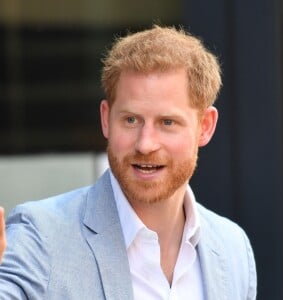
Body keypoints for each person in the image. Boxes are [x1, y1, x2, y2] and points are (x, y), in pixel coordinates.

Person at [0, 25, 257, 299]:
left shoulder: (233, 248)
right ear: (105, 119)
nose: (145, 144)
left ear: (205, 126)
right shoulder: (39, 237)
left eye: (167, 122)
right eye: (131, 120)